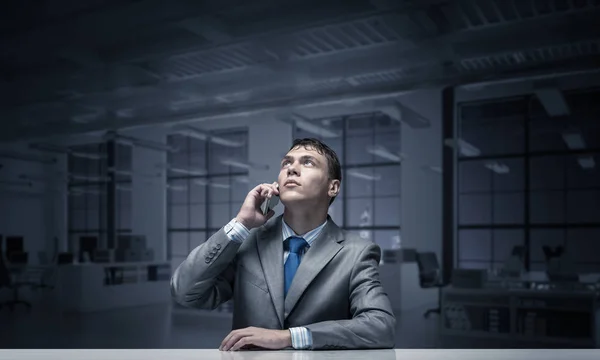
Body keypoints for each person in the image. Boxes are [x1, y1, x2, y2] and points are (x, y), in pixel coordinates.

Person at [170, 138, 396, 351]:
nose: (292, 168)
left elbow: (380, 326)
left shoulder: (357, 252)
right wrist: (241, 223)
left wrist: (290, 337)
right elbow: (185, 293)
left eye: (308, 162)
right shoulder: (246, 241)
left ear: (333, 187)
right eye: (286, 162)